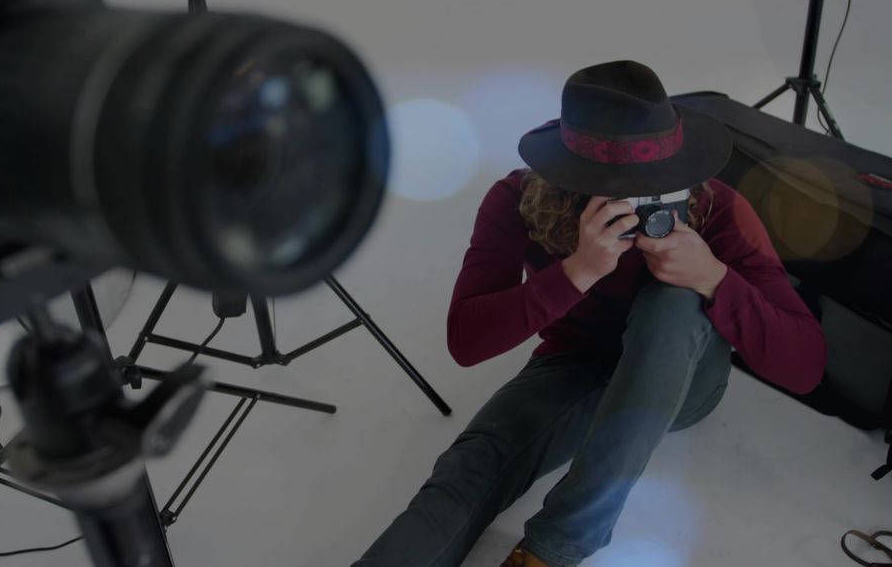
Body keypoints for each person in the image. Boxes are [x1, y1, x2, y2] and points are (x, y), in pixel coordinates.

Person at [354, 60, 826, 567]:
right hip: (578, 366)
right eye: (619, 184)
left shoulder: (718, 209)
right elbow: (465, 343)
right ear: (569, 176)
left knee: (673, 299)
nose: (642, 197)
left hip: (683, 379)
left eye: (658, 181)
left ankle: (553, 549)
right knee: (474, 463)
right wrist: (576, 272)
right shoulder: (517, 199)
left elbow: (805, 365)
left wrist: (712, 276)